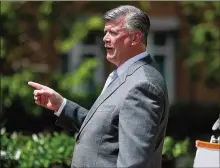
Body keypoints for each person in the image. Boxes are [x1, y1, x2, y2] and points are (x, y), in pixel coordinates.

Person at [28, 5, 169, 168]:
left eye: (113, 32)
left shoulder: (143, 85)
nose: (105, 38)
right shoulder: (125, 74)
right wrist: (62, 106)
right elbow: (105, 131)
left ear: (135, 38)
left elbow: (133, 163)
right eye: (105, 32)